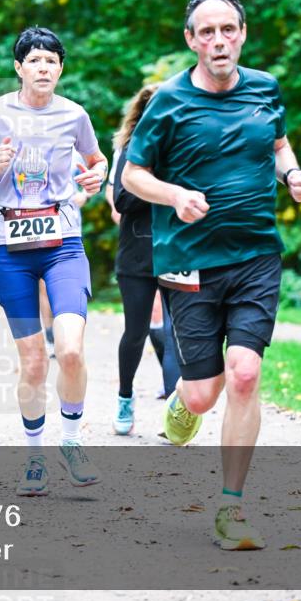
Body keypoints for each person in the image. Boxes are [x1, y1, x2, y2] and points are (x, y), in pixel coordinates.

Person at [122, 0, 301, 550]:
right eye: (206, 32)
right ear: (191, 41)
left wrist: (292, 174)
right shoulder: (169, 102)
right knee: (204, 393)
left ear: (242, 33)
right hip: (189, 262)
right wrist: (175, 195)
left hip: (256, 254)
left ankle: (231, 508)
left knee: (246, 374)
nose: (218, 40)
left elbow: (279, 144)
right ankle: (186, 401)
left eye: (227, 29)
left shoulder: (266, 89)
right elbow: (133, 175)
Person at [0, 26, 108, 496]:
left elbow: (98, 161)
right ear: (19, 67)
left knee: (68, 349)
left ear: (60, 69)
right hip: (11, 246)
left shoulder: (75, 114)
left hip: (63, 240)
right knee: (32, 362)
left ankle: (71, 441)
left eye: (51, 61)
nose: (43, 68)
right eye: (35, 60)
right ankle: (34, 457)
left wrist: (95, 180)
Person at [104, 84, 181, 436]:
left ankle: (175, 409)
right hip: (136, 253)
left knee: (179, 331)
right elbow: (121, 201)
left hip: (178, 251)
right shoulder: (130, 150)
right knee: (135, 332)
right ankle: (124, 396)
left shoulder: (184, 148)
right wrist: (155, 185)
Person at [39, 150, 92, 359]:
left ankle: (69, 338)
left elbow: (89, 180)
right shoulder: (35, 149)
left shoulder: (76, 153)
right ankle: (50, 336)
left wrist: (84, 195)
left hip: (70, 228)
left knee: (68, 286)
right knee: (44, 286)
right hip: (41, 226)